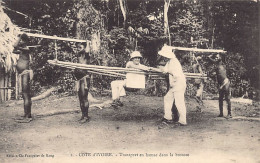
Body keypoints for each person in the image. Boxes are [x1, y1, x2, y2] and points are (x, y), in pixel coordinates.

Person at [158, 45, 187, 126]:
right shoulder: (169, 62)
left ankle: (183, 120)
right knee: (167, 98)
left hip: (178, 83)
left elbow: (176, 75)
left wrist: (172, 84)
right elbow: (165, 70)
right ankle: (168, 117)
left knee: (179, 102)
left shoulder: (174, 62)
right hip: (174, 84)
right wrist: (160, 69)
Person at [13, 33, 33, 123]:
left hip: (26, 73)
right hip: (23, 73)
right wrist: (20, 40)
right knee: (25, 95)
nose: (19, 41)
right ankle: (26, 114)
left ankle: (28, 116)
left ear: (24, 41)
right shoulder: (22, 50)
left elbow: (15, 45)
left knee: (26, 94)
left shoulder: (26, 49)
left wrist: (20, 36)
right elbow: (14, 50)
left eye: (21, 40)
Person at [208, 53, 232, 118]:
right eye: (215, 58)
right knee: (220, 99)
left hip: (225, 82)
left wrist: (216, 53)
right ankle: (221, 113)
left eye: (217, 57)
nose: (216, 58)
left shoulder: (222, 65)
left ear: (220, 58)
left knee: (227, 98)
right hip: (221, 84)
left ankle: (229, 114)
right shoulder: (217, 66)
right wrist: (214, 54)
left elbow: (222, 56)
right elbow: (209, 58)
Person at [74, 42, 91, 123]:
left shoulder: (86, 56)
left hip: (85, 79)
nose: (78, 49)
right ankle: (83, 115)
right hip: (79, 79)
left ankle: (86, 116)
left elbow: (87, 51)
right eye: (78, 48)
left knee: (84, 98)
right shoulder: (78, 56)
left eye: (80, 47)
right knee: (80, 98)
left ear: (84, 48)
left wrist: (87, 43)